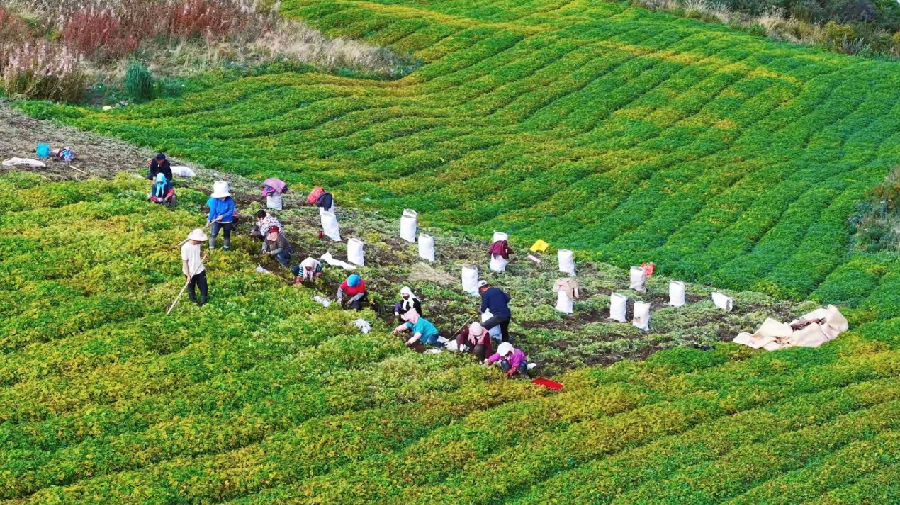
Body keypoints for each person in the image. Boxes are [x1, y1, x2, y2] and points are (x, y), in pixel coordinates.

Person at [181, 228, 208, 306]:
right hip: (190, 271)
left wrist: (203, 255)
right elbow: (185, 262)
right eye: (199, 240)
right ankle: (194, 302)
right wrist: (188, 275)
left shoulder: (198, 244)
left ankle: (204, 302)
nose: (200, 242)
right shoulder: (185, 248)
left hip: (200, 269)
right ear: (194, 239)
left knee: (204, 286)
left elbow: (199, 252)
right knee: (191, 288)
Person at [206, 181, 235, 251]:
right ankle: (211, 249)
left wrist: (223, 216)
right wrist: (209, 220)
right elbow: (212, 210)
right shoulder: (214, 200)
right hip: (216, 220)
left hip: (227, 221)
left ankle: (226, 248)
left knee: (226, 235)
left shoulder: (230, 201)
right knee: (213, 234)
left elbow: (231, 211)